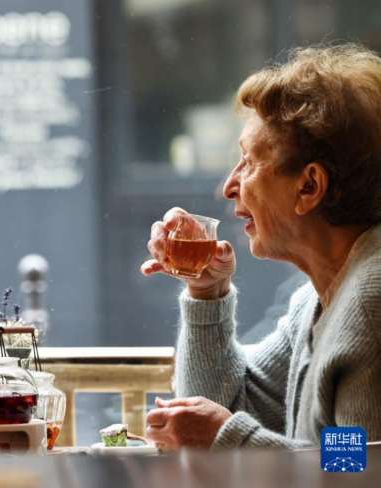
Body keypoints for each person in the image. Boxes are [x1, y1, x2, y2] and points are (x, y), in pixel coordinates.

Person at [141, 43, 381, 451]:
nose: (229, 186)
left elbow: (358, 467)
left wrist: (228, 438)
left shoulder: (369, 305)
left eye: (249, 162)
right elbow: (229, 407)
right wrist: (207, 293)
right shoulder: (316, 300)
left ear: (309, 186)